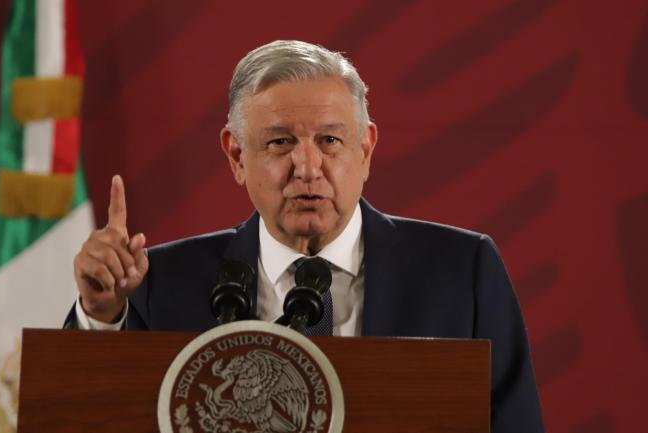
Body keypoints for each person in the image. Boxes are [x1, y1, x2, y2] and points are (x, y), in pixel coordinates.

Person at [66, 40, 544, 431]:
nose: (308, 168)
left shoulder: (461, 271)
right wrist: (102, 315)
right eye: (280, 142)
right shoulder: (161, 281)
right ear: (236, 156)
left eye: (330, 141)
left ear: (366, 149)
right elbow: (85, 418)